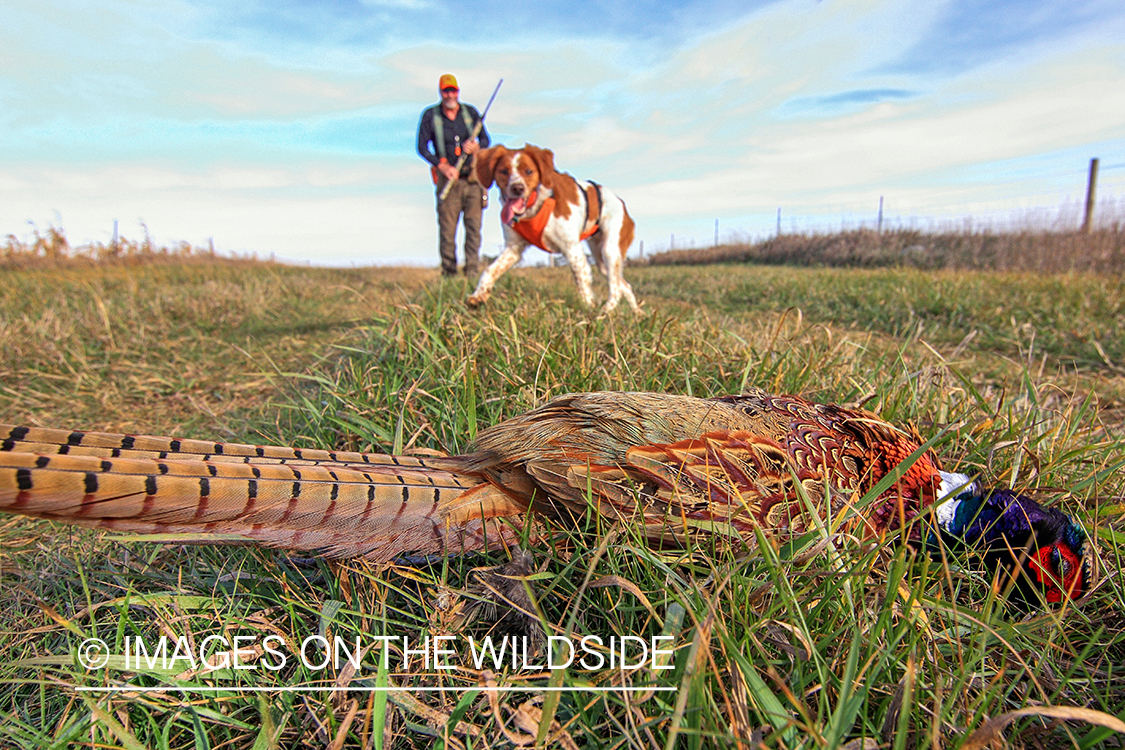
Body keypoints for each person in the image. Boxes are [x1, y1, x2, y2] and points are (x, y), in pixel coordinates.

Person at [416, 74, 491, 278]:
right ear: (441, 92)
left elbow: (486, 140)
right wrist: (441, 165)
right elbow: (421, 147)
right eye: (446, 91)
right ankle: (449, 275)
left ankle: (472, 274)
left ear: (458, 92)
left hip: (473, 181)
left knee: (474, 230)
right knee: (447, 233)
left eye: (453, 90)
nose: (450, 95)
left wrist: (476, 147)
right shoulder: (431, 116)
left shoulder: (470, 113)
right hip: (448, 182)